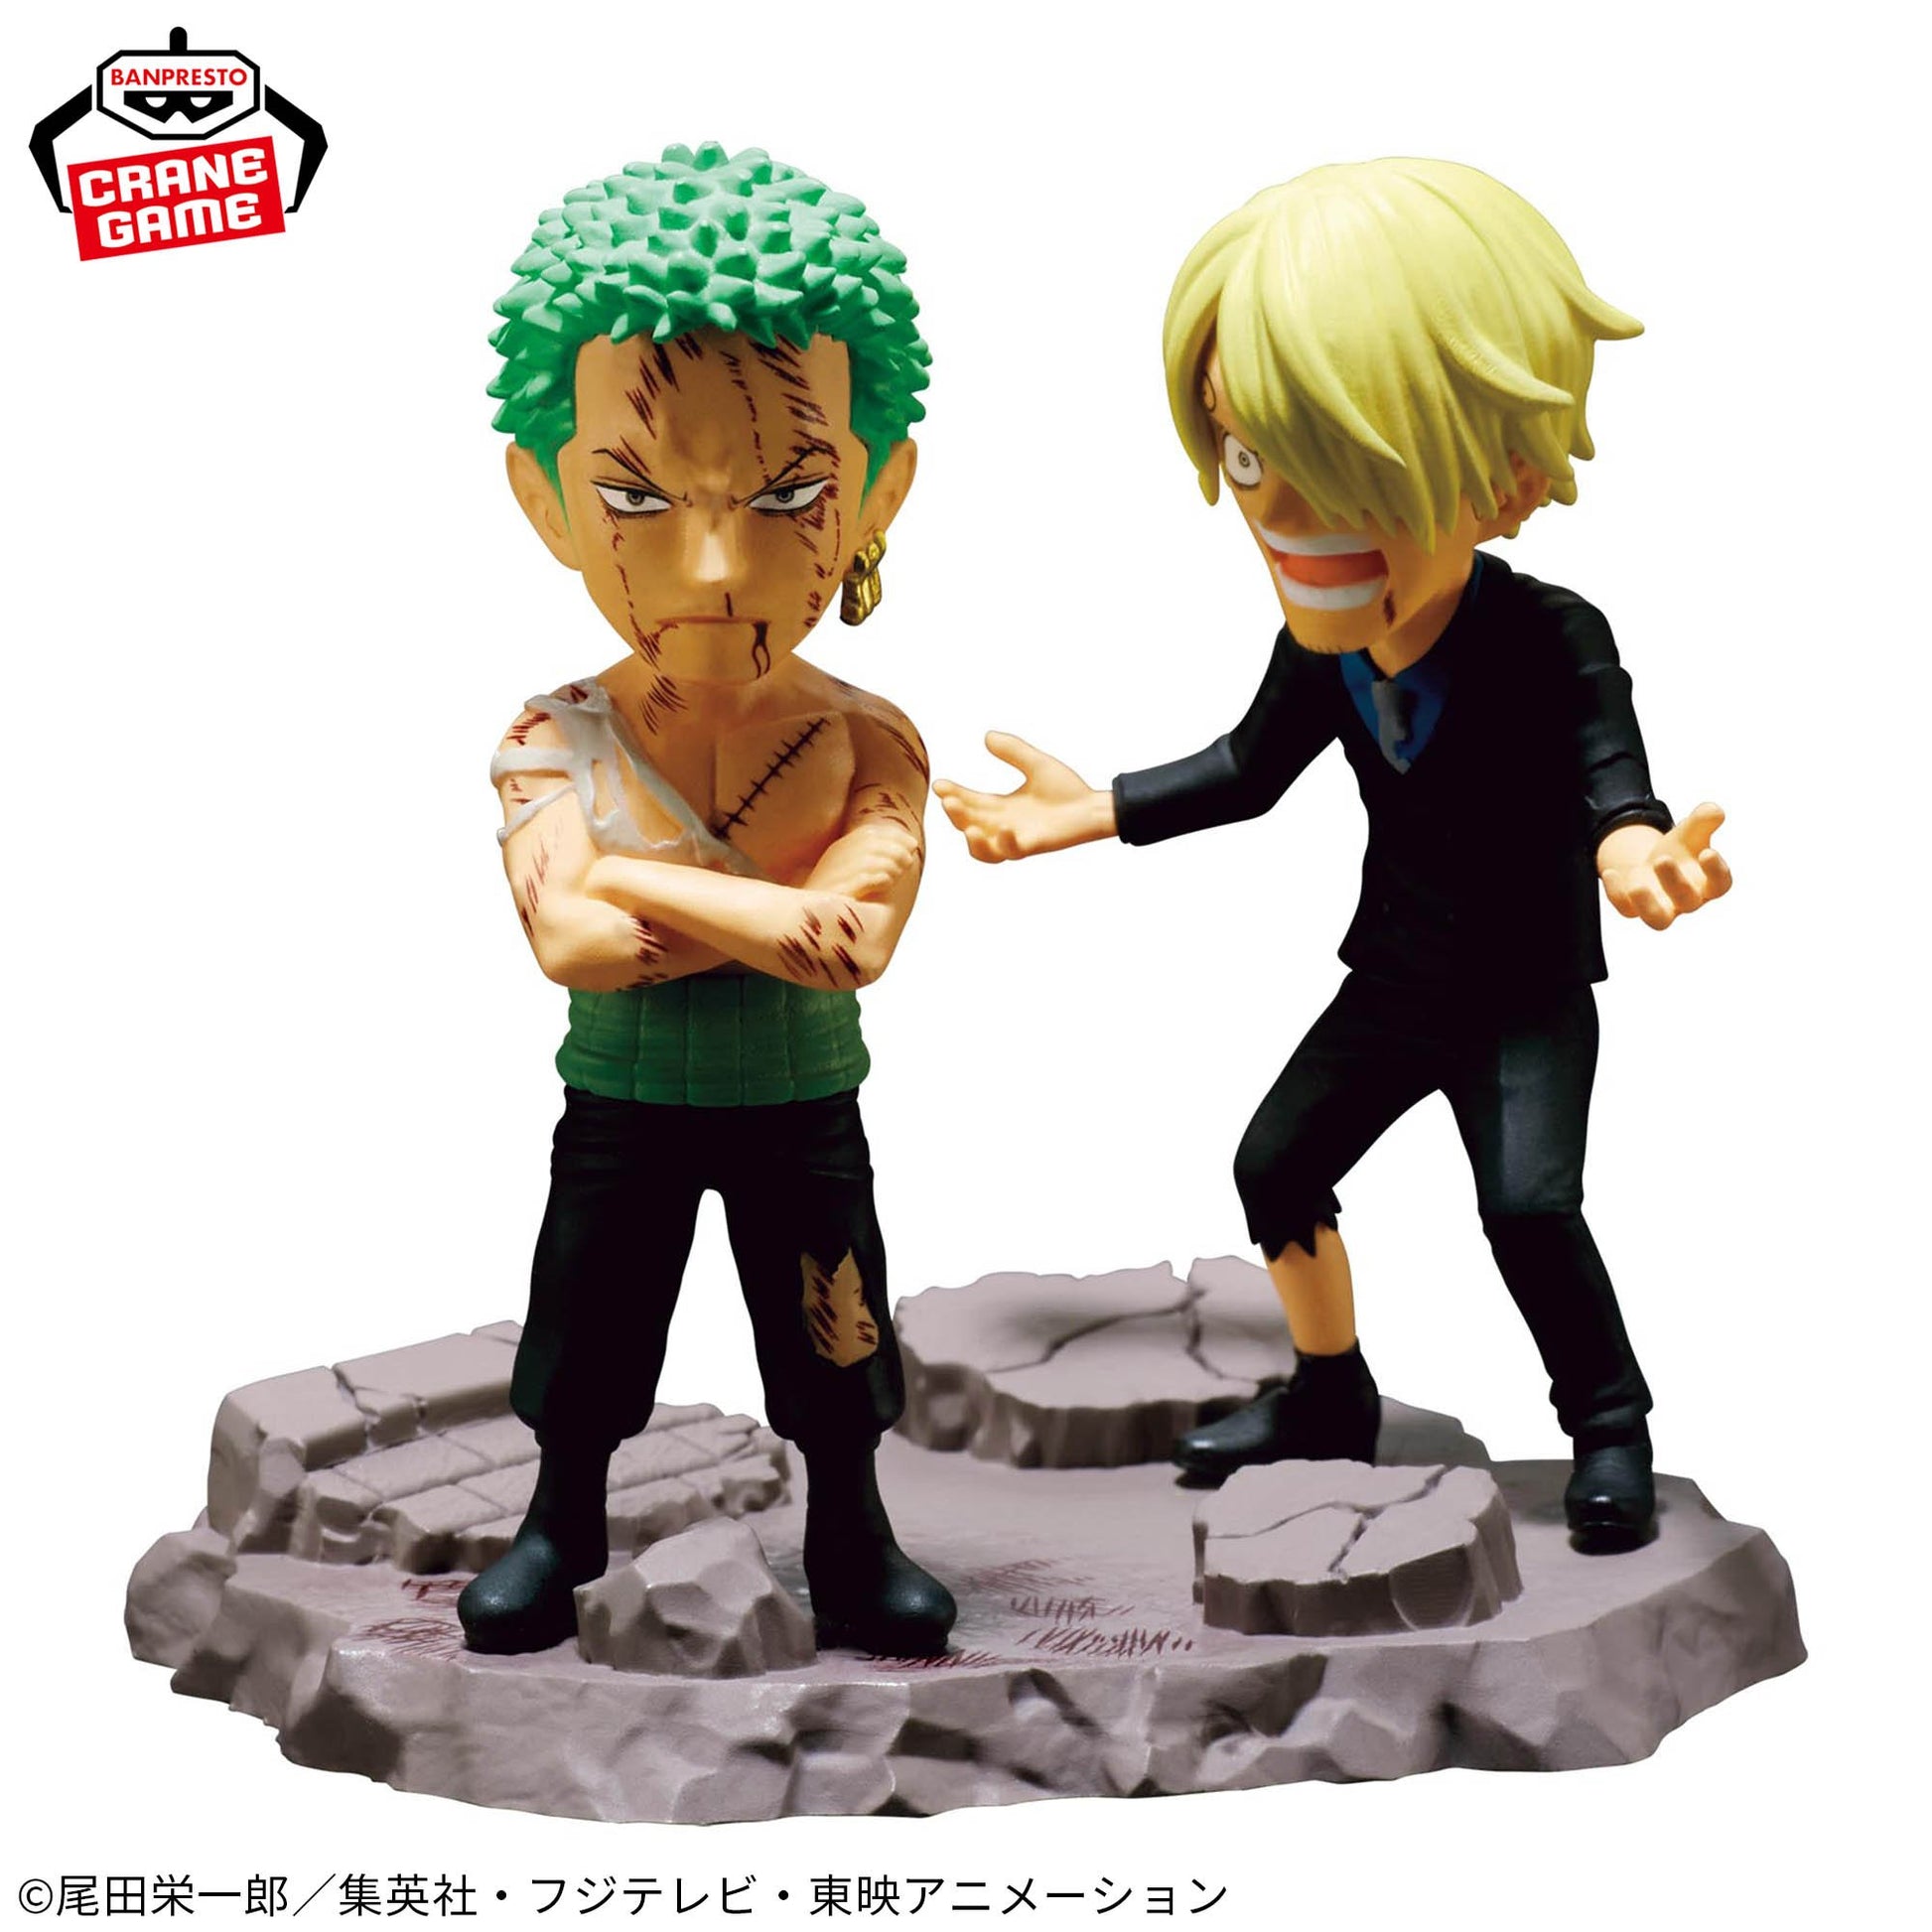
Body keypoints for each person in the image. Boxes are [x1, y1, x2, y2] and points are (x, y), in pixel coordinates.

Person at [935, 159, 1730, 1553]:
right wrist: (1091, 809)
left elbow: (1616, 778)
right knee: (1276, 1164)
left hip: (1524, 994)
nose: (1292, 522)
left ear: (1504, 478)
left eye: (1351, 474)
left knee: (1527, 1208)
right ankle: (1327, 1391)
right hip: (1400, 978)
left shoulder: (1552, 635)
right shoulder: (1326, 651)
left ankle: (1609, 1425)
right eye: (1254, 462)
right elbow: (1245, 772)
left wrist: (1632, 848)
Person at [459, 142, 955, 1653]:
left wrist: (627, 868)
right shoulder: (551, 734)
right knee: (588, 1314)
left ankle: (851, 1533)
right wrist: (752, 908)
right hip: (623, 1103)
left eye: (793, 492)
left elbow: (849, 942)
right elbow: (575, 944)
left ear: (876, 491)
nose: (719, 563)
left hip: (803, 1104)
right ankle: (561, 1519)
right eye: (637, 495)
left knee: (836, 1325)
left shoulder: (869, 738)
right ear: (547, 501)